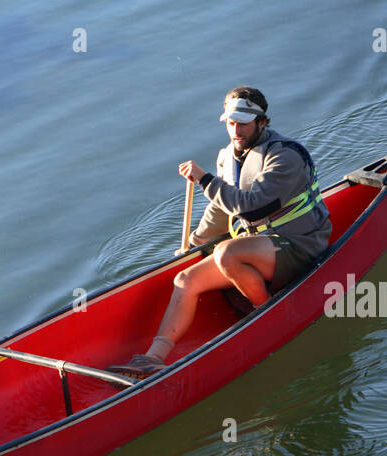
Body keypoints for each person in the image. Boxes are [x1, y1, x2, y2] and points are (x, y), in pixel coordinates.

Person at [110, 86, 332, 378]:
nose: (236, 130)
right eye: (230, 122)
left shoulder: (285, 157)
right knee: (185, 279)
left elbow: (250, 209)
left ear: (262, 122)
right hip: (261, 248)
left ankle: (266, 312)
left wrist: (204, 179)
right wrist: (194, 243)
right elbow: (220, 208)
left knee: (226, 252)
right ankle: (152, 359)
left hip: (300, 243)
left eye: (243, 122)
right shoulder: (227, 156)